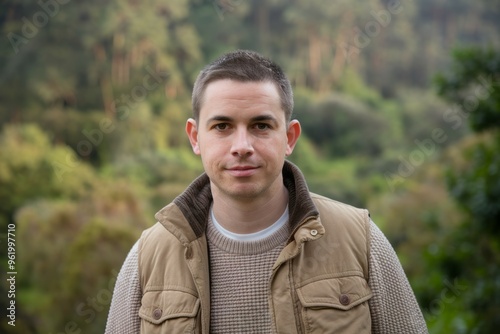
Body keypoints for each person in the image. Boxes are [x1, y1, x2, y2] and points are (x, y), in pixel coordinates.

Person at [105, 50, 428, 333]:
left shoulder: (359, 239)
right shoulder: (149, 257)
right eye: (222, 127)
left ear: (289, 137)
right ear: (194, 137)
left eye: (261, 126)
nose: (242, 147)